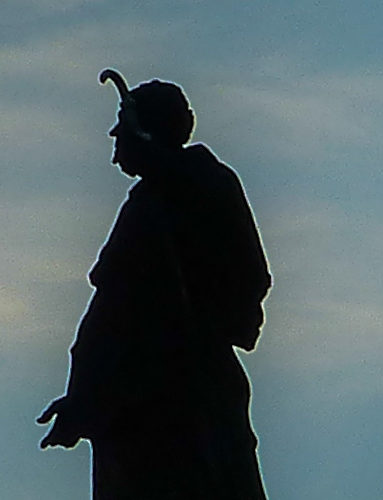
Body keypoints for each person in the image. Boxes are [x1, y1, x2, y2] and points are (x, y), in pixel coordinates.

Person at [40, 74, 273, 500]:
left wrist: (84, 398)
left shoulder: (173, 196)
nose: (114, 137)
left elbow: (113, 311)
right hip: (163, 394)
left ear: (144, 132)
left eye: (121, 124)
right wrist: (82, 398)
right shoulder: (178, 192)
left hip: (161, 400)